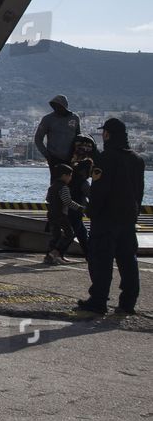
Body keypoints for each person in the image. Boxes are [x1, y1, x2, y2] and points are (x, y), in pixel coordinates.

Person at [78, 118, 145, 316]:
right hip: (127, 218)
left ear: (107, 134)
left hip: (106, 219)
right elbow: (139, 192)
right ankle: (128, 302)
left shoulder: (105, 158)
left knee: (102, 260)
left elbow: (100, 189)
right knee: (128, 261)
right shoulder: (137, 160)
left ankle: (98, 301)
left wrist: (91, 211)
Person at [43, 165, 81, 267]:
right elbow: (68, 201)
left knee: (56, 236)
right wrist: (80, 208)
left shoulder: (52, 186)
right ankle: (56, 253)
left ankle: (49, 256)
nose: (70, 178)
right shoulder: (64, 187)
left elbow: (48, 199)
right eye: (70, 176)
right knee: (69, 234)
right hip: (60, 214)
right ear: (64, 176)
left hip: (51, 214)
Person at [33, 95, 81, 172]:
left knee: (71, 181)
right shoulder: (47, 119)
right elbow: (38, 138)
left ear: (64, 106)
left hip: (71, 158)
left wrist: (77, 155)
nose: (56, 108)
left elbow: (78, 137)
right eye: (54, 106)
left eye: (58, 106)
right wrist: (47, 155)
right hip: (54, 158)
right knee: (56, 181)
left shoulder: (74, 118)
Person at [68, 136, 96, 255]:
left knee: (81, 231)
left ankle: (88, 253)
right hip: (76, 208)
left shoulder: (72, 178)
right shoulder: (83, 182)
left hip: (72, 208)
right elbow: (89, 194)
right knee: (76, 230)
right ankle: (56, 251)